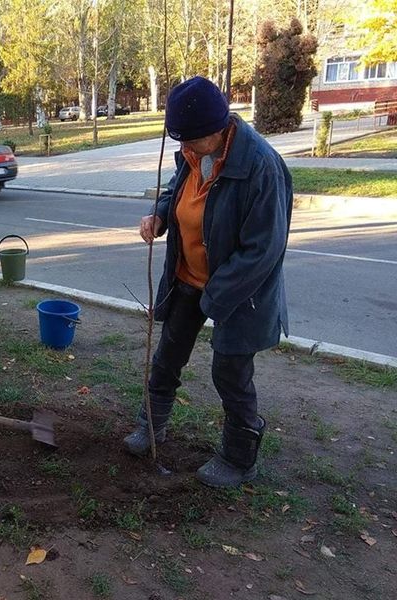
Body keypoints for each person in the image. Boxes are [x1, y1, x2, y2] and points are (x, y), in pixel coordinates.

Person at [123, 76, 293, 488]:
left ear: (218, 130)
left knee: (229, 373)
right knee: (166, 358)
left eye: (190, 141)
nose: (182, 150)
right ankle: (152, 427)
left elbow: (263, 250)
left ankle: (239, 459)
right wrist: (160, 214)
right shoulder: (192, 152)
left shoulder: (260, 168)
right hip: (187, 278)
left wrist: (215, 296)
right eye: (178, 141)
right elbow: (176, 191)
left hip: (241, 292)